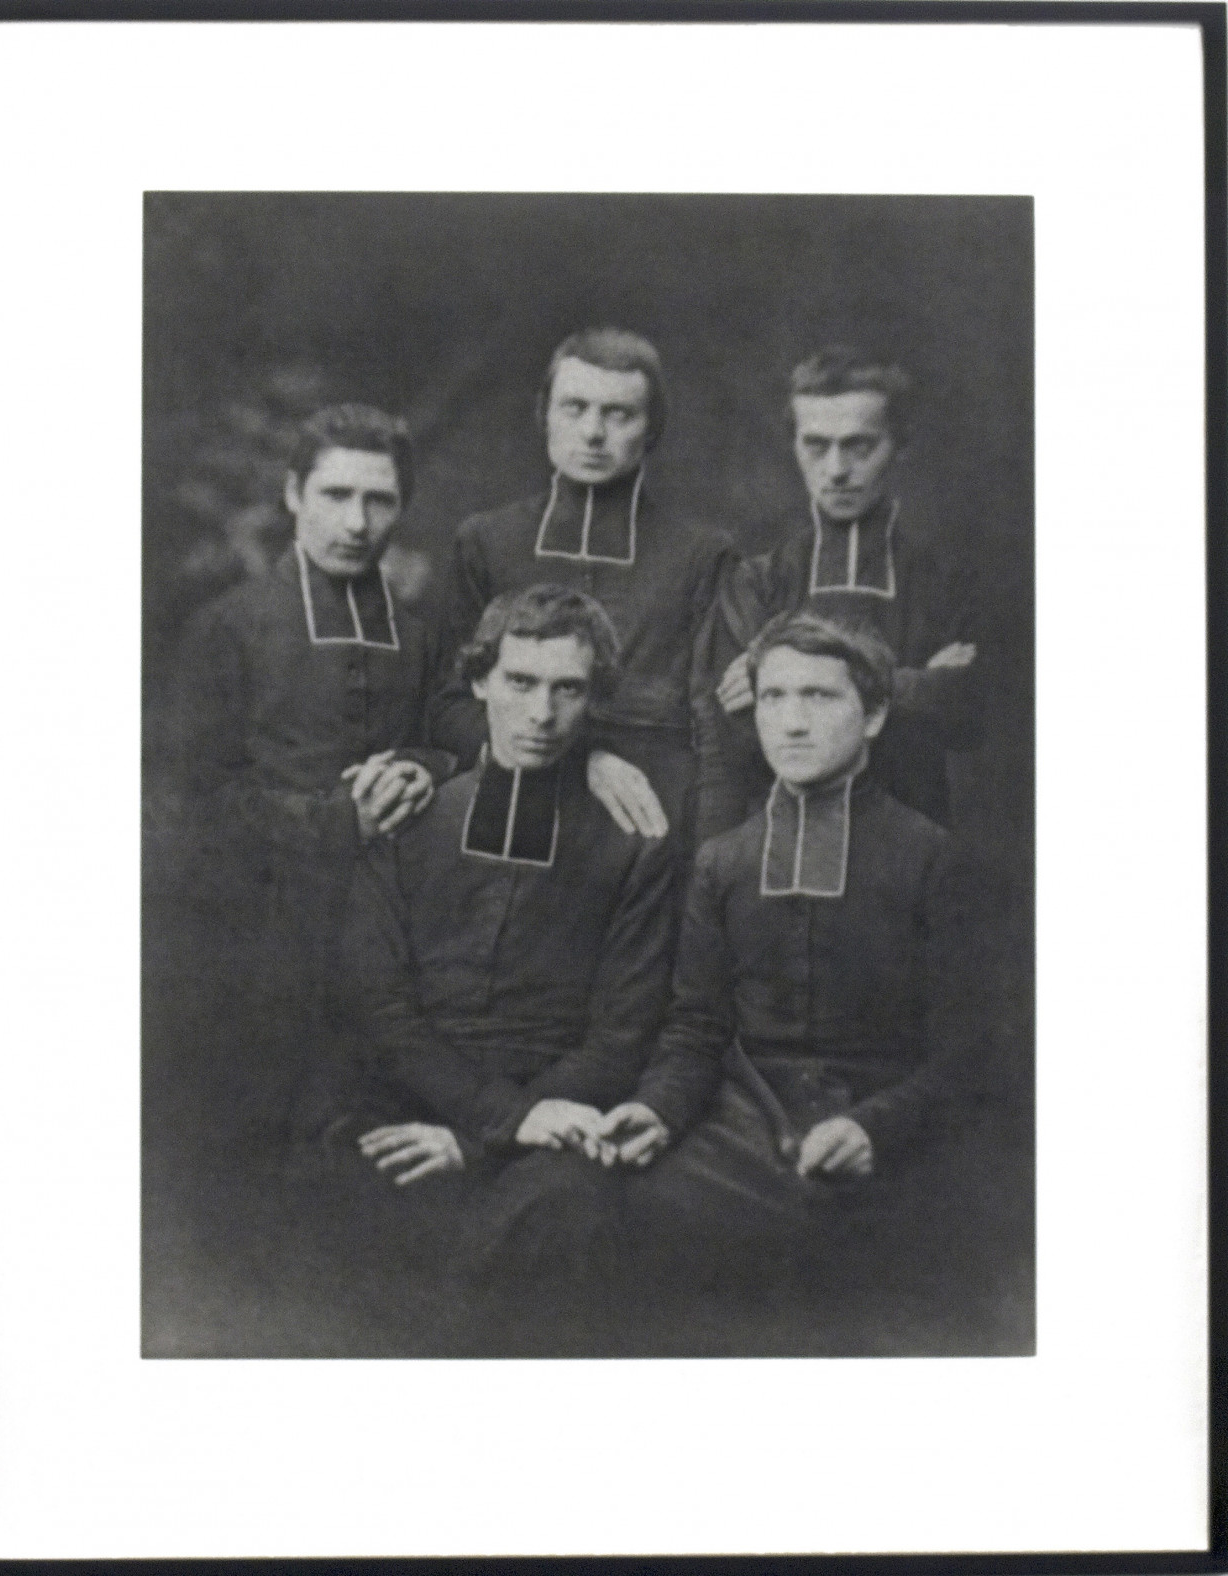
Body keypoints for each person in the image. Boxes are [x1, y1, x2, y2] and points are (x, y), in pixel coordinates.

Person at [299, 584, 675, 1354]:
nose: (541, 715)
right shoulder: (412, 817)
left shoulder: (632, 842)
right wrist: (481, 1118)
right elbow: (380, 1007)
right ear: (479, 683)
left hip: (550, 1115)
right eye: (520, 683)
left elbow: (620, 1037)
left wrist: (487, 1138)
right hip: (406, 1092)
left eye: (568, 689)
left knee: (567, 1223)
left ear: (594, 698)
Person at [600, 611, 983, 1310]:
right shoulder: (723, 861)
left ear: (872, 717)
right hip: (743, 1125)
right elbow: (695, 1030)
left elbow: (968, 1054)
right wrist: (656, 1109)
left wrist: (876, 1128)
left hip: (889, 1134)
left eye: (820, 697)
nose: (792, 722)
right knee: (627, 1223)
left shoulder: (932, 857)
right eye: (773, 697)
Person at [164, 403, 455, 1148]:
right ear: (293, 494)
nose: (357, 523)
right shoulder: (226, 627)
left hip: (399, 942)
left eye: (379, 499)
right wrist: (339, 822)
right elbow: (194, 806)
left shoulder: (420, 636)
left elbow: (453, 741)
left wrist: (426, 768)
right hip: (256, 947)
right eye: (335, 495)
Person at [428, 327, 736, 853]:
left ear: (652, 429)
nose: (594, 432)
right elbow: (448, 706)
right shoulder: (485, 540)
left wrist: (704, 857)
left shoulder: (703, 554)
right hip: (511, 806)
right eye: (575, 407)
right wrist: (578, 759)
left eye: (619, 414)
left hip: (651, 818)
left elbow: (715, 726)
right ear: (544, 415)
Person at [696, 346, 981, 839]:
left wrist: (783, 679)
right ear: (794, 446)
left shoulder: (945, 575)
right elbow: (736, 732)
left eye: (859, 446)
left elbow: (965, 717)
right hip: (782, 830)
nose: (836, 470)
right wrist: (913, 685)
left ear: (899, 447)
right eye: (816, 445)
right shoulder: (758, 572)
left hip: (912, 829)